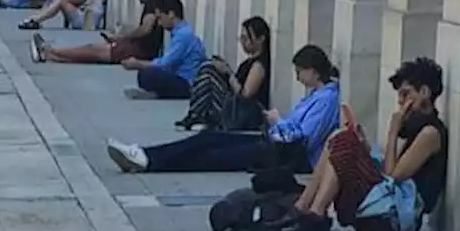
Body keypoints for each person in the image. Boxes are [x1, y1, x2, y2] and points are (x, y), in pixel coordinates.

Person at [277, 57, 448, 231]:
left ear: (424, 92)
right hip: (388, 205)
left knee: (343, 141)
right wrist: (364, 148)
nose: (400, 102)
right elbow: (389, 171)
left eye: (406, 95)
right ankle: (304, 207)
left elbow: (394, 176)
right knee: (338, 138)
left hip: (396, 215)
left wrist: (393, 132)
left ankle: (316, 215)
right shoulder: (417, 129)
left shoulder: (430, 133)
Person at [106, 44, 340, 175]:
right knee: (207, 139)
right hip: (272, 143)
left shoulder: (327, 100)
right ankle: (145, 154)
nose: (298, 76)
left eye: (300, 71)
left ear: (313, 70)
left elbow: (305, 139)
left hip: (285, 156)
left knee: (212, 157)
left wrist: (278, 120)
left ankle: (149, 161)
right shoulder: (316, 96)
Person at [32, 0, 163, 65]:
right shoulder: (155, 4)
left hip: (138, 50)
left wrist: (122, 38)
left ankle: (48, 51)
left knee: (92, 51)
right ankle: (50, 54)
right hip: (138, 49)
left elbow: (146, 28)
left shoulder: (152, 3)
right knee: (91, 52)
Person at [175, 16, 272, 131]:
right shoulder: (249, 62)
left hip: (244, 113)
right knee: (209, 67)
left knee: (208, 71)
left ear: (261, 39)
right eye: (241, 38)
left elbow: (245, 95)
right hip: (235, 107)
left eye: (246, 38)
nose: (243, 43)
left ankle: (198, 115)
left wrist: (228, 73)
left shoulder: (259, 65)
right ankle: (197, 114)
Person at [121, 0, 205, 99]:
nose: (160, 23)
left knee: (148, 73)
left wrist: (139, 64)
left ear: (171, 14)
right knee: (146, 72)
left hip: (187, 83)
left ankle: (158, 94)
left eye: (160, 18)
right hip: (180, 78)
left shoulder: (183, 35)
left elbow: (165, 64)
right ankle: (157, 93)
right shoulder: (181, 33)